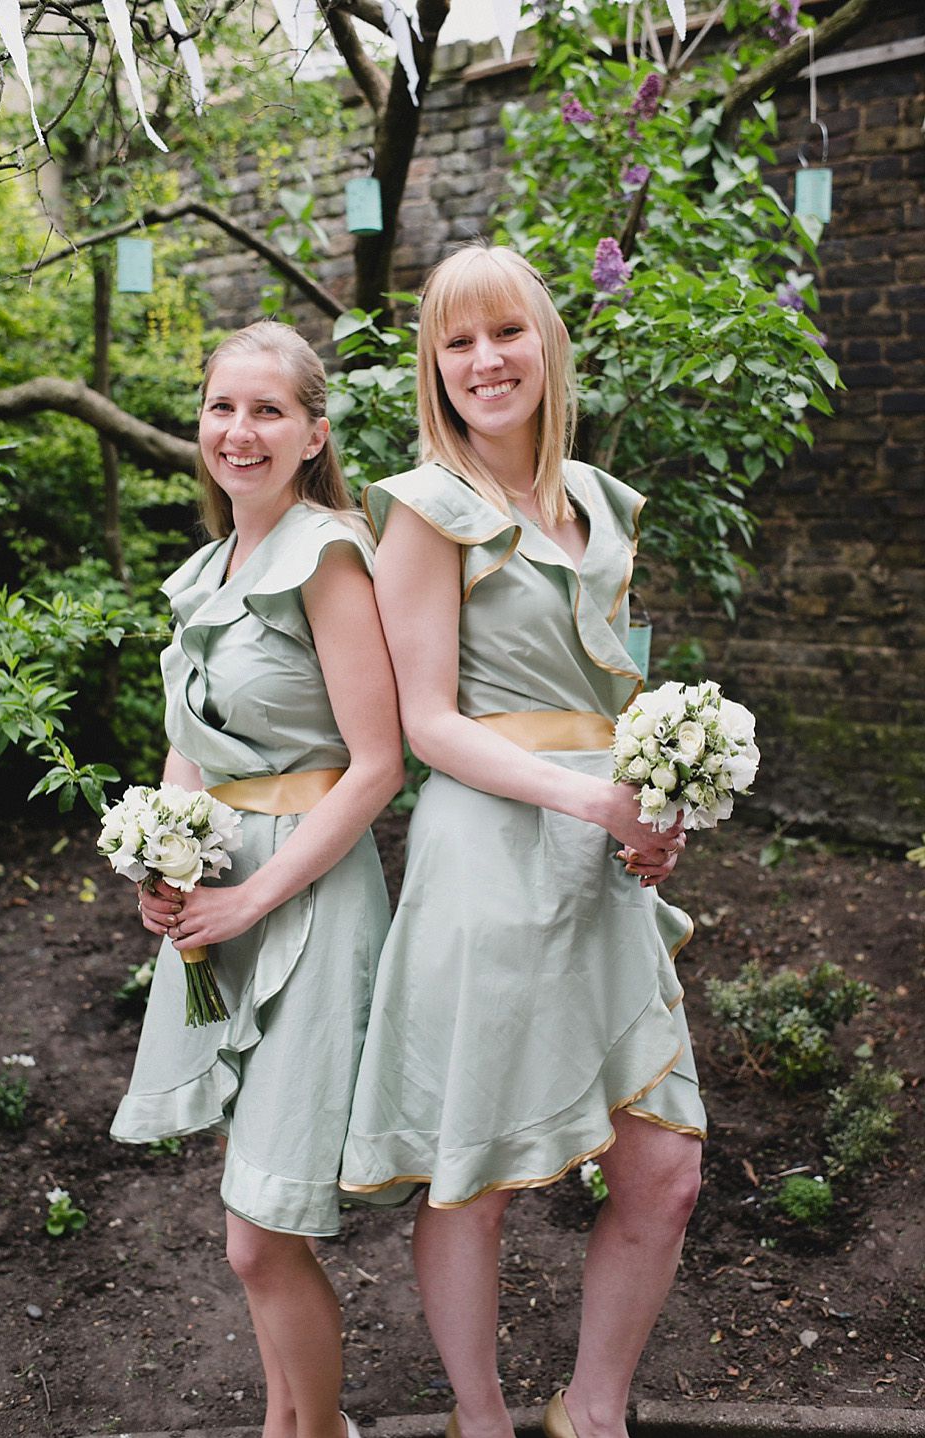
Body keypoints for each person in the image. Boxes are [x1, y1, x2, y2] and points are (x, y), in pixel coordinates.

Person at [339, 244, 706, 1438]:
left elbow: (619, 688)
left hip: (604, 856)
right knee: (478, 1170)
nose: (485, 360)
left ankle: (591, 1410)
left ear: (549, 344)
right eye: (457, 341)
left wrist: (657, 798)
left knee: (665, 1168)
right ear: (434, 370)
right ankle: (480, 1416)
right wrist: (589, 798)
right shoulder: (424, 512)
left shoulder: (603, 506)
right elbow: (429, 723)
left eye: (506, 332)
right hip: (489, 858)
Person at [111, 320, 403, 1438]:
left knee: (260, 1231)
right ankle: (288, 1426)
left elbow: (378, 765)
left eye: (268, 410)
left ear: (312, 433)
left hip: (305, 895)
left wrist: (249, 895)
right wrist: (167, 864)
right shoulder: (207, 569)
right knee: (250, 1214)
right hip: (216, 896)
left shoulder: (328, 556)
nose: (240, 430)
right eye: (222, 407)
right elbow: (191, 746)